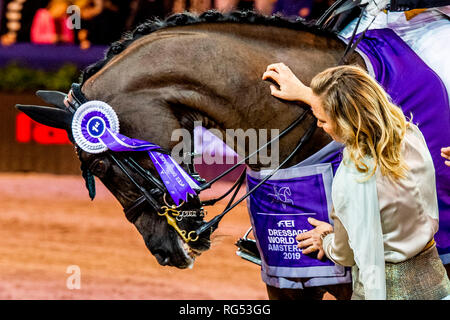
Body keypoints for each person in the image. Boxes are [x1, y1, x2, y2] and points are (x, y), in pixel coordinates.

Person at [262, 62, 450, 299]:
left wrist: (326, 238)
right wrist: (307, 94)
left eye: (323, 120)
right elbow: (357, 102)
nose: (320, 127)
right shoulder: (410, 134)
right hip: (437, 284)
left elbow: (345, 254)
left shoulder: (351, 178)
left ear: (346, 122)